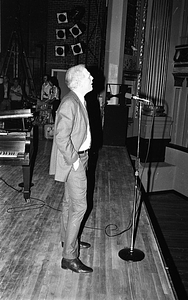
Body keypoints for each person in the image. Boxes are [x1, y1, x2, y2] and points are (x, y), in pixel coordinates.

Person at [49, 64, 93, 273]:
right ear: (78, 81)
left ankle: (68, 241)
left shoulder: (79, 99)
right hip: (75, 161)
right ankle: (69, 257)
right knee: (79, 207)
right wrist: (75, 161)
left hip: (81, 159)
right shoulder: (70, 102)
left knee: (69, 204)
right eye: (88, 76)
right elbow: (61, 136)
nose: (92, 78)